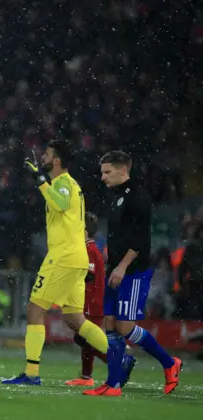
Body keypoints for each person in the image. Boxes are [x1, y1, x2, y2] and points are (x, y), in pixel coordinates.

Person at [2, 140, 110, 386]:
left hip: (63, 256)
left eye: (47, 154)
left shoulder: (62, 184)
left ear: (57, 160)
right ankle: (119, 358)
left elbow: (60, 204)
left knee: (34, 309)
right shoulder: (67, 184)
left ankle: (31, 373)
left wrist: (40, 181)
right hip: (76, 256)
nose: (42, 157)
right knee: (75, 318)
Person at [84, 151, 181, 396]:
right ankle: (113, 385)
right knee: (109, 324)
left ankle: (170, 363)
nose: (102, 177)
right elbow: (121, 234)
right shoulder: (117, 197)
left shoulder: (138, 197)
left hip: (133, 271)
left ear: (123, 169)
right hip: (115, 268)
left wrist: (122, 266)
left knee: (125, 326)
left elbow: (139, 240)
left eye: (107, 172)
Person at [65, 212, 110, 386]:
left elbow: (88, 275)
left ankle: (118, 362)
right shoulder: (90, 248)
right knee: (85, 340)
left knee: (85, 339)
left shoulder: (89, 250)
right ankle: (86, 377)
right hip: (91, 301)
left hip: (92, 302)